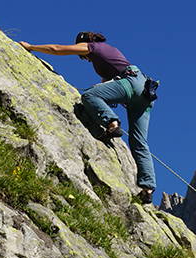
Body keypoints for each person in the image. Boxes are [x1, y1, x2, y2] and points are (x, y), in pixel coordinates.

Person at [19, 31, 156, 204]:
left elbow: (57, 49)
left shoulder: (92, 47)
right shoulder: (110, 52)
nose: (84, 57)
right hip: (144, 92)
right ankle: (147, 188)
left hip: (130, 83)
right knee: (139, 142)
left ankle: (112, 124)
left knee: (90, 95)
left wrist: (31, 47)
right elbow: (111, 84)